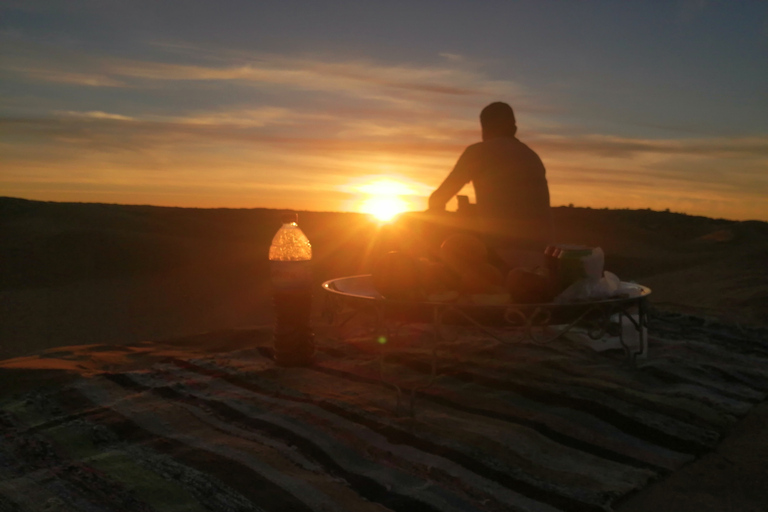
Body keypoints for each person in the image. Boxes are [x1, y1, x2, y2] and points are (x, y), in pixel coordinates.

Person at [428, 102, 553, 268]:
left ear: (485, 128)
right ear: (514, 127)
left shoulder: (478, 152)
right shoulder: (532, 156)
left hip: (499, 255)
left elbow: (438, 198)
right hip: (542, 258)